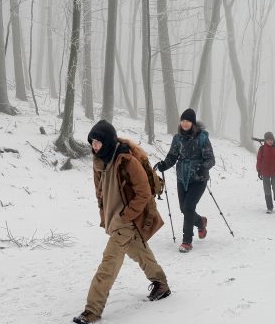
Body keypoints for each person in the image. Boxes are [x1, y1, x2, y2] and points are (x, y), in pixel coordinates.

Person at [74, 120, 171, 324]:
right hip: (114, 220)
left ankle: (92, 310)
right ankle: (161, 284)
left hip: (124, 222)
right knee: (140, 252)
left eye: (98, 142)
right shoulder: (99, 161)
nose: (94, 146)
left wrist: (125, 216)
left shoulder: (127, 161)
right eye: (92, 142)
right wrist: (105, 214)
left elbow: (144, 193)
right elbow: (100, 192)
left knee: (107, 266)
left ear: (108, 141)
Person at [154, 108, 215, 253]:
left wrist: (203, 167)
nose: (185, 123)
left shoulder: (202, 138)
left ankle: (187, 241)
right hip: (182, 178)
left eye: (187, 121)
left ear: (192, 123)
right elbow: (172, 157)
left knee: (188, 207)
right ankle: (201, 222)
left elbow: (211, 159)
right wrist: (164, 165)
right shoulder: (177, 138)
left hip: (199, 179)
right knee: (184, 208)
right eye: (183, 121)